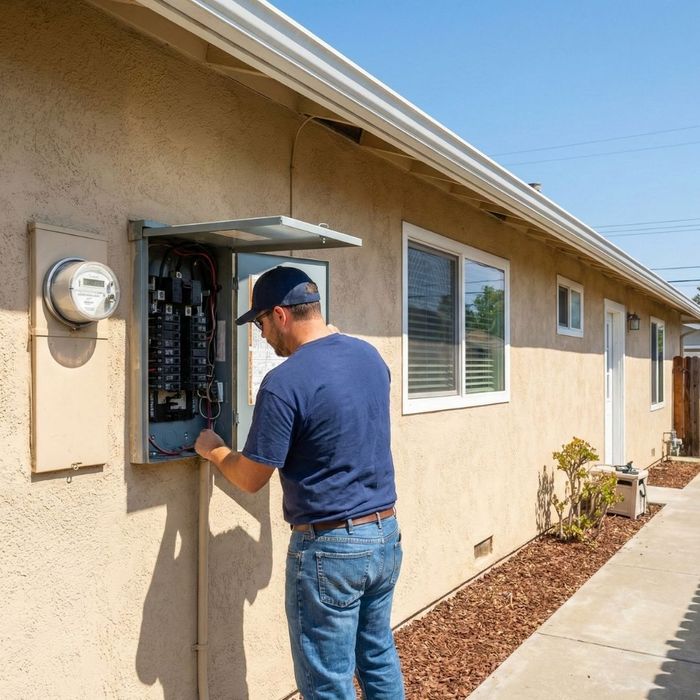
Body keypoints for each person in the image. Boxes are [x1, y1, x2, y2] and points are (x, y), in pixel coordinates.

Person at [195, 266, 404, 700]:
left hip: (330, 549)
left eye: (260, 323)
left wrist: (213, 449)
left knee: (327, 681)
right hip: (384, 536)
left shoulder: (285, 382)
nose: (262, 334)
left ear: (281, 315)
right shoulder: (369, 357)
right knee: (377, 655)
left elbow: (252, 477)